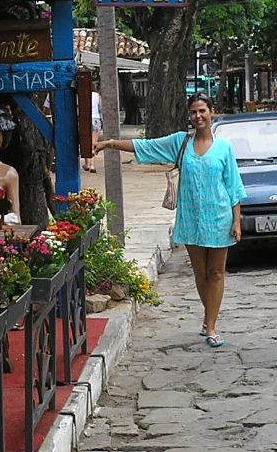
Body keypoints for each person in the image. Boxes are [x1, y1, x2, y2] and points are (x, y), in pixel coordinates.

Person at [93, 94, 244, 348]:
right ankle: (208, 319)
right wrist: (109, 143)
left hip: (219, 218)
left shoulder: (224, 148)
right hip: (191, 219)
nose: (198, 116)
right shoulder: (180, 143)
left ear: (212, 112)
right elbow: (145, 146)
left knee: (217, 272)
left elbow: (234, 187)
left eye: (203, 111)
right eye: (194, 112)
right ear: (189, 115)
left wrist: (237, 221)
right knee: (201, 273)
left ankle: (212, 325)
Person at [82, 86, 103, 173]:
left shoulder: (82, 95)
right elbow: (101, 109)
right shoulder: (97, 96)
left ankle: (87, 164)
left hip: (85, 118)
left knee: (86, 142)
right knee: (94, 143)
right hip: (96, 119)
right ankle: (92, 165)